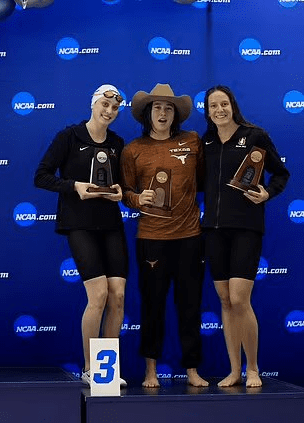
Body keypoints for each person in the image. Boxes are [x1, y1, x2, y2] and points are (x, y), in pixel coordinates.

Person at [35, 84, 128, 386]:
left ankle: (109, 371)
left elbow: (122, 185)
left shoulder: (117, 143)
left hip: (111, 225)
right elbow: (41, 176)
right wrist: (74, 186)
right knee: (98, 295)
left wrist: (120, 192)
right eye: (105, 105)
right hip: (79, 224)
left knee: (118, 296)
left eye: (114, 108)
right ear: (93, 104)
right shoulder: (69, 136)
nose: (109, 111)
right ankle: (91, 369)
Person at [120, 83, 207, 387]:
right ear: (147, 113)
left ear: (176, 114)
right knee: (152, 305)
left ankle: (192, 370)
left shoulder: (192, 141)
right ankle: (150, 370)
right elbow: (125, 192)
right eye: (157, 107)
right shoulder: (132, 150)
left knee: (190, 306)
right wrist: (136, 199)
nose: (163, 112)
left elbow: (205, 180)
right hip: (151, 238)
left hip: (190, 237)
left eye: (168, 108)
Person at [202, 86, 289, 388]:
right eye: (213, 106)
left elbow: (281, 173)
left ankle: (253, 368)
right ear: (207, 111)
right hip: (213, 230)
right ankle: (234, 370)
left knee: (240, 299)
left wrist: (268, 192)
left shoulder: (255, 136)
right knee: (225, 301)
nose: (219, 110)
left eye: (224, 104)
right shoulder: (206, 142)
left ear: (233, 105)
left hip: (246, 228)